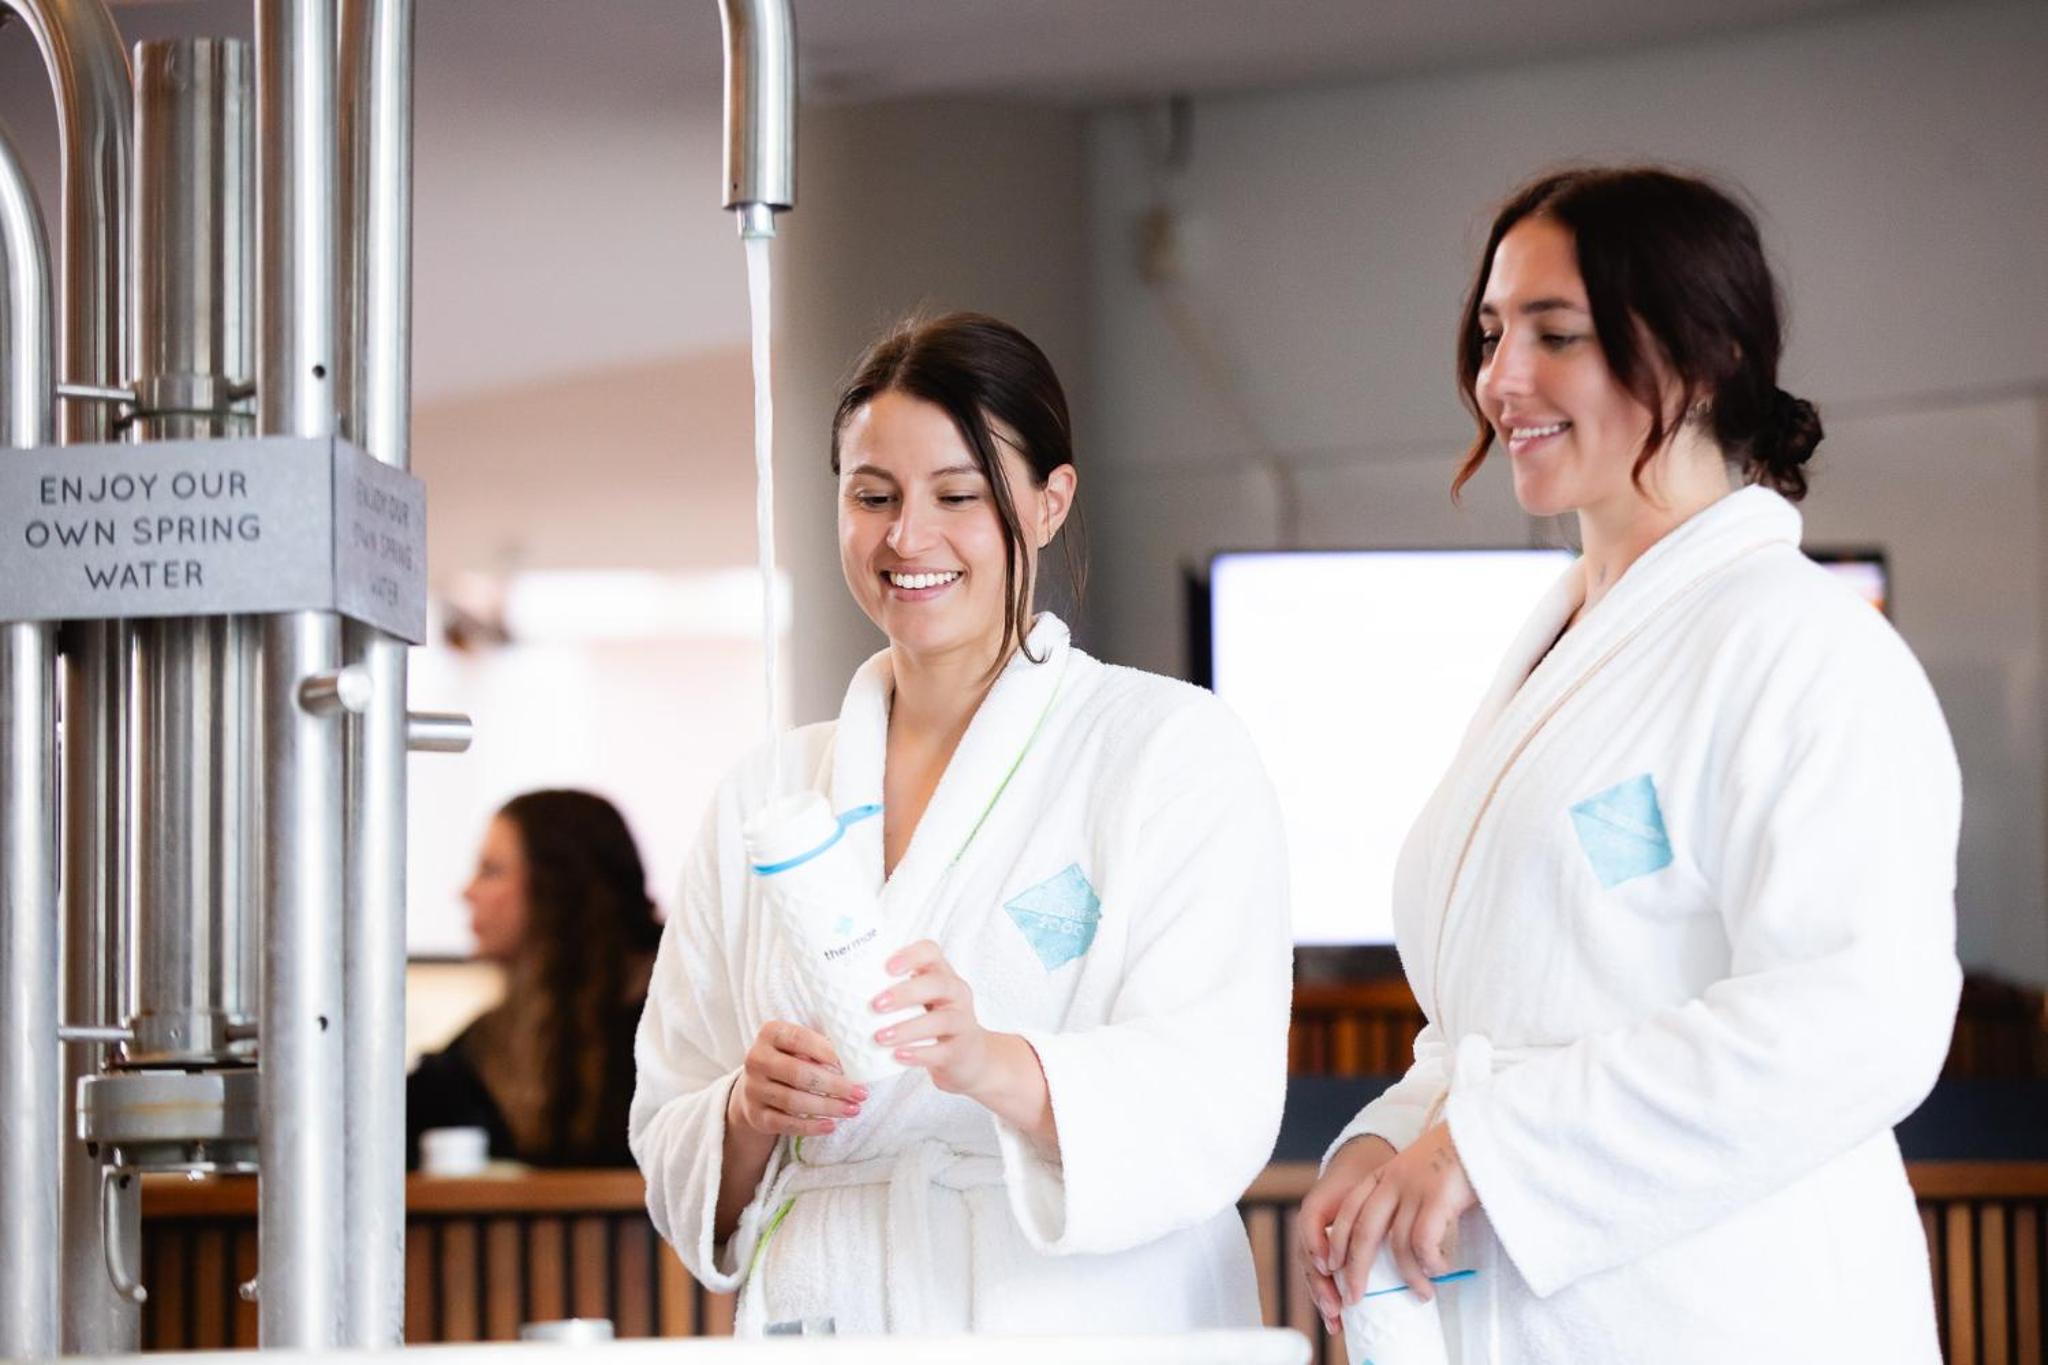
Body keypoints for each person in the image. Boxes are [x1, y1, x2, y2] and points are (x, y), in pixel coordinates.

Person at [1299, 167, 1960, 1362]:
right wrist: (1393, 1135)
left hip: (1735, 1315)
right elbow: (1509, 1019)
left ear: (1699, 359)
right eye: (1490, 334)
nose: (1500, 379)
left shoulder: (1804, 648)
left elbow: (1858, 1017)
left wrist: (1489, 1148)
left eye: (1555, 335)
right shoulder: (1558, 644)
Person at [630, 312, 1292, 1336]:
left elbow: (1218, 1092)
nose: (908, 537)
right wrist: (746, 1111)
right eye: (873, 496)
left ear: (1048, 502)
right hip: (833, 1311)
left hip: (1079, 1323)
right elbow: (672, 1125)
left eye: (958, 494)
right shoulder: (766, 795)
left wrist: (993, 1062)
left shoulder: (1167, 749)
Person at [408, 788, 663, 1168]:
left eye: (491, 871)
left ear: (558, 886)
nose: (467, 892)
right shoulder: (473, 1055)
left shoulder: (670, 1032)